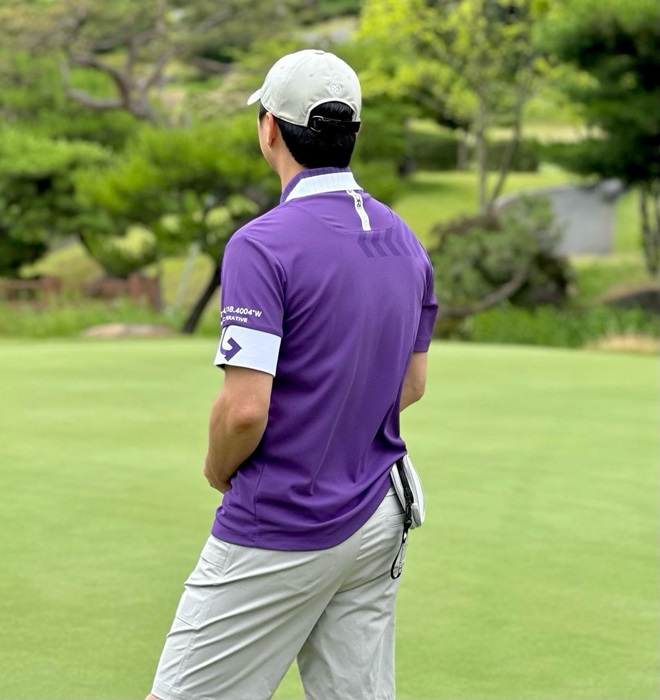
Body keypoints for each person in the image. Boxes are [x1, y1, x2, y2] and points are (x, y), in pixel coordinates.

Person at [147, 49, 438, 700]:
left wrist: (218, 465)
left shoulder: (261, 244)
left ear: (270, 129)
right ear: (354, 132)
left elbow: (244, 410)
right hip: (378, 514)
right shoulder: (404, 239)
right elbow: (412, 384)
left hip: (281, 521)